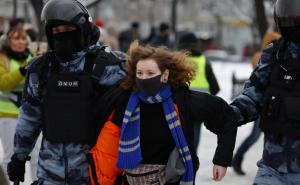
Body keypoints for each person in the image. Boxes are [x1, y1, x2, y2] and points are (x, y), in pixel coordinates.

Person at [6, 0, 126, 184]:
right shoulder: (41, 69)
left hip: (94, 172)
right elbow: (29, 118)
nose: (62, 35)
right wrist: (19, 156)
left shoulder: (109, 67)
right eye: (56, 31)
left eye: (67, 29)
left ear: (83, 29)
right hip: (50, 173)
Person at [89, 41, 237, 185]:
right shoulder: (124, 100)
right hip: (130, 180)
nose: (144, 78)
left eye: (150, 73)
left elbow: (226, 116)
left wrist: (221, 161)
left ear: (165, 75)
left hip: (170, 179)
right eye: (139, 73)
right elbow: (98, 126)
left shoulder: (182, 100)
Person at [231, 0, 300, 184]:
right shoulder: (275, 52)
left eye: (295, 15)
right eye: (286, 14)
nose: (289, 20)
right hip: (273, 168)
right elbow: (254, 93)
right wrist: (230, 113)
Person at [232, 31, 281, 175]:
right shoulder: (263, 55)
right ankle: (237, 158)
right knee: (255, 135)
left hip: (270, 103)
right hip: (262, 102)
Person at [0, 25, 41, 182]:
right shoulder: (3, 58)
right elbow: (3, 83)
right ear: (8, 41)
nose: (20, 42)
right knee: (10, 155)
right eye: (16, 38)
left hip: (31, 114)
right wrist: (22, 71)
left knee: (37, 155)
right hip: (8, 115)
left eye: (23, 38)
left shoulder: (32, 57)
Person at [177, 32, 220, 151]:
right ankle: (193, 161)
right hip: (199, 106)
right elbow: (215, 87)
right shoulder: (204, 60)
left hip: (180, 106)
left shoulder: (176, 61)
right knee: (195, 136)